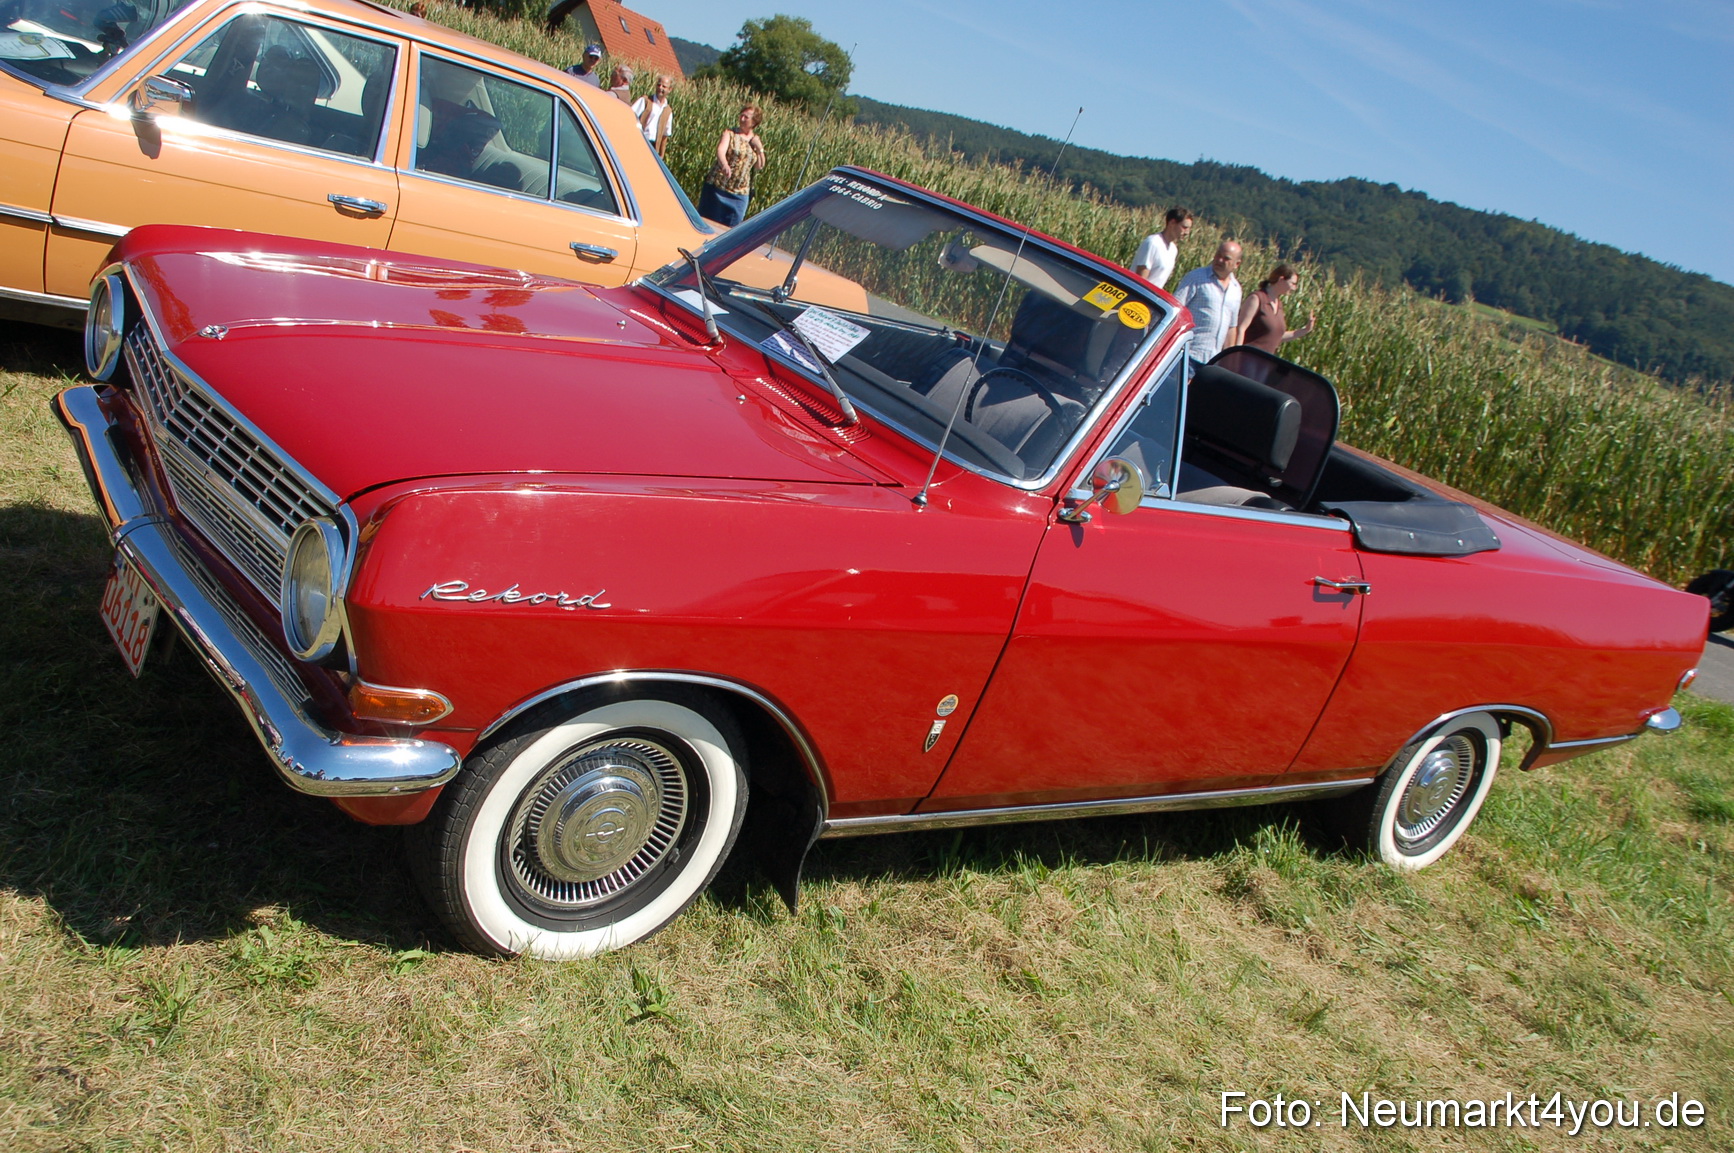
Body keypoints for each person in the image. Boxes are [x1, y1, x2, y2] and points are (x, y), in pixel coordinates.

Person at [1172, 240, 1243, 361]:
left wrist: (1228, 360)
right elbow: (1176, 309)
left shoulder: (1236, 289)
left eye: (1226, 258)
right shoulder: (1197, 277)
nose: (1219, 260)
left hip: (1212, 360)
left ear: (1237, 264)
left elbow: (1231, 327)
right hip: (1188, 353)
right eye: (1218, 255)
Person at [697, 104, 766, 228]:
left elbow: (759, 166)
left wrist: (759, 147)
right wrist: (724, 165)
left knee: (731, 228)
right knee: (706, 222)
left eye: (746, 117)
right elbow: (720, 151)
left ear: (754, 122)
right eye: (742, 115)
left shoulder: (754, 140)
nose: (742, 118)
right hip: (718, 187)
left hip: (739, 193)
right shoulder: (730, 133)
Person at [1233, 263, 1317, 354]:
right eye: (1292, 284)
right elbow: (1240, 329)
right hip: (1246, 358)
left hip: (1264, 363)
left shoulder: (1279, 305)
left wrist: (1305, 330)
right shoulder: (1257, 298)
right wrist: (1235, 356)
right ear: (1281, 280)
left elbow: (1276, 336)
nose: (1294, 288)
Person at [1131, 206, 1192, 290]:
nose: (1187, 232)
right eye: (1184, 227)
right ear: (1172, 223)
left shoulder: (1173, 250)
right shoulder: (1152, 243)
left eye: (1189, 228)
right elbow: (1140, 279)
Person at [632, 74, 674, 156]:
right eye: (659, 85)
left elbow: (665, 135)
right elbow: (630, 114)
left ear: (670, 90)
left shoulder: (668, 111)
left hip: (654, 147)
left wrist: (661, 155)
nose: (660, 88)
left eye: (664, 86)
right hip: (640, 140)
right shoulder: (645, 101)